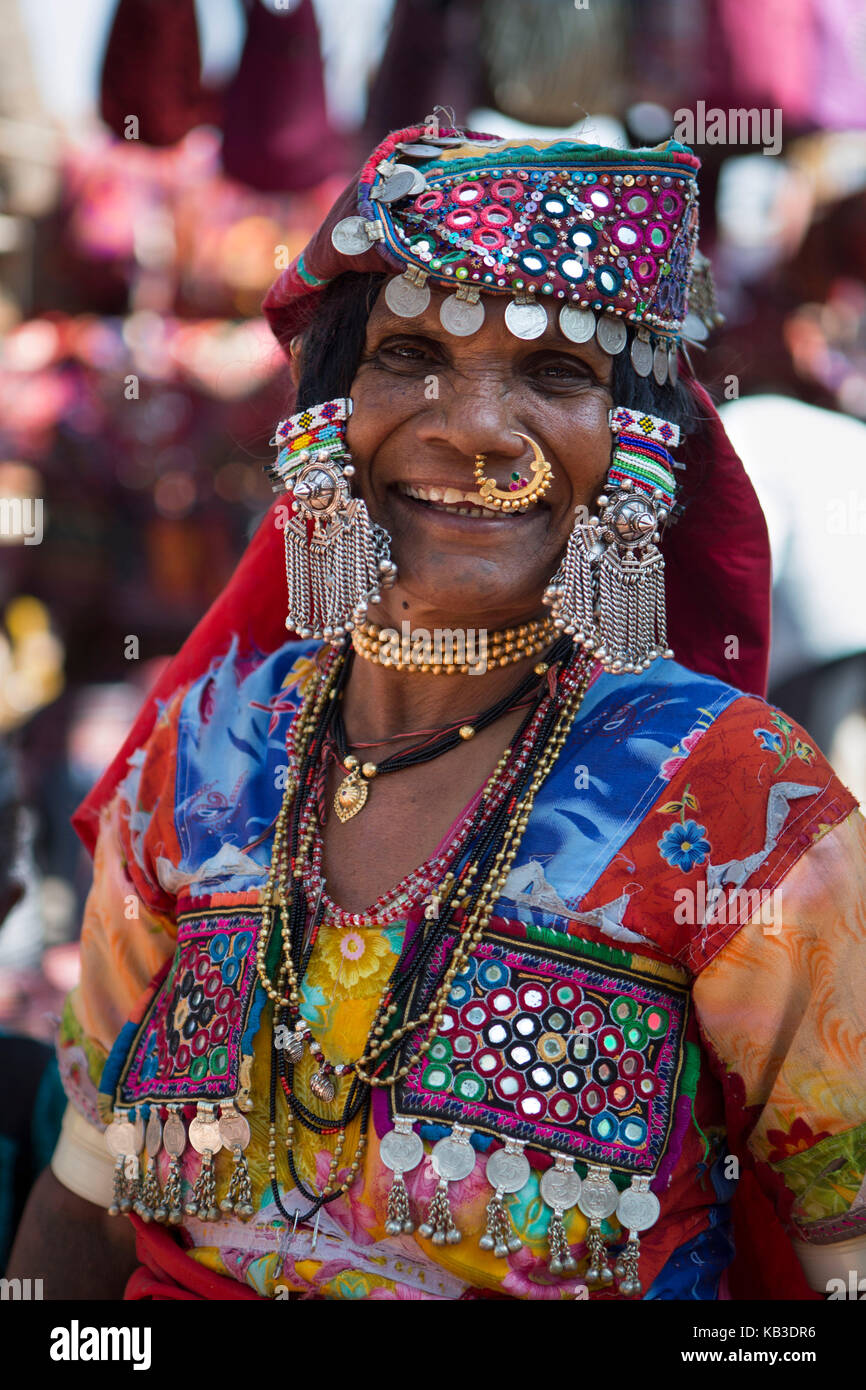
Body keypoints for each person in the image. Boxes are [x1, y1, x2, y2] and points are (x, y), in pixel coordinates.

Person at [10, 119, 866, 1301]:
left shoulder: (734, 799)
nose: (471, 428)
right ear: (322, 420)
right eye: (408, 356)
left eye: (557, 372)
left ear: (634, 452)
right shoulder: (203, 753)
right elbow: (85, 1204)